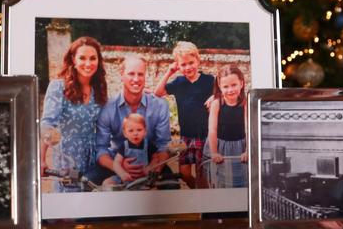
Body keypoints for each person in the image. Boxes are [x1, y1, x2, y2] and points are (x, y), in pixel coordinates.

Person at [92, 55, 172, 187]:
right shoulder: (107, 107)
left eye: (140, 74)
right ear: (121, 75)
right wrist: (118, 167)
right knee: (87, 182)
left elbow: (163, 145)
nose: (136, 79)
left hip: (150, 162)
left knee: (172, 187)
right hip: (115, 161)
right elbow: (101, 149)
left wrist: (153, 167)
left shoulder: (160, 105)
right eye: (131, 74)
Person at [40, 36, 106, 190]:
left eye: (93, 58)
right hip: (67, 159)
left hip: (93, 160)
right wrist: (42, 159)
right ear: (73, 60)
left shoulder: (99, 89)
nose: (88, 63)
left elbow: (106, 123)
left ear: (98, 61)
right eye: (82, 58)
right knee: (69, 208)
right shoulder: (58, 87)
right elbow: (47, 125)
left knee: (90, 207)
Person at [154, 41, 215, 188]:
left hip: (203, 135)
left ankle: (202, 197)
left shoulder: (209, 80)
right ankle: (196, 191)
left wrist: (215, 97)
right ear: (178, 65)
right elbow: (158, 93)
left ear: (198, 60)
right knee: (184, 172)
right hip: (185, 136)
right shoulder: (179, 82)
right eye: (183, 64)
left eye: (191, 62)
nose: (188, 67)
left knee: (202, 173)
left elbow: (221, 93)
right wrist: (169, 72)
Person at [205, 64, 248, 188]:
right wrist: (214, 152)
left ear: (241, 83)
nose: (230, 90)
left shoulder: (245, 103)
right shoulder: (217, 103)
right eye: (225, 86)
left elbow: (248, 129)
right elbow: (212, 130)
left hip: (240, 147)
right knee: (220, 181)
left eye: (234, 85)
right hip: (220, 146)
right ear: (219, 86)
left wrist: (248, 150)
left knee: (242, 180)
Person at [100, 115, 151, 189]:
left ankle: (132, 188)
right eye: (131, 131)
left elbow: (156, 158)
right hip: (125, 177)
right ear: (125, 133)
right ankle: (118, 189)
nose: (135, 133)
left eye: (139, 130)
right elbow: (116, 162)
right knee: (106, 183)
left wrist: (150, 168)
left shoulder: (148, 145)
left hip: (142, 178)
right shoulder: (124, 146)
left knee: (151, 186)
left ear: (145, 131)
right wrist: (122, 174)